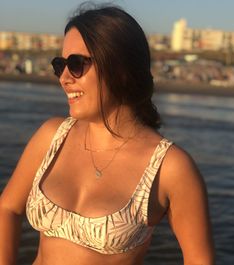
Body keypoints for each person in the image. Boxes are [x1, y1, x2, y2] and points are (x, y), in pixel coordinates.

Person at [0, 2, 214, 265]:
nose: (64, 77)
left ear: (120, 70)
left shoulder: (170, 167)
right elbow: (8, 208)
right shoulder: (52, 136)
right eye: (60, 65)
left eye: (76, 64)